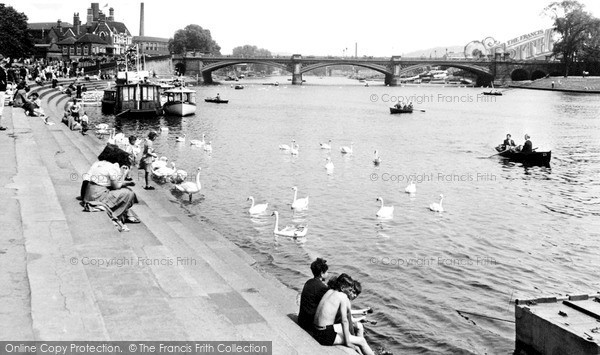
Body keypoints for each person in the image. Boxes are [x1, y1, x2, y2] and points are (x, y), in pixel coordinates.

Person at [313, 273, 374, 355]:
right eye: (349, 290)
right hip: (324, 336)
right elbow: (344, 321)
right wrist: (348, 342)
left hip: (316, 330)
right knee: (362, 341)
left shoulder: (330, 291)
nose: (350, 293)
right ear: (342, 288)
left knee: (350, 330)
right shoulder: (342, 296)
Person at [82, 144, 139, 232]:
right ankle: (118, 215)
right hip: (98, 195)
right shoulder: (111, 167)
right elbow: (117, 186)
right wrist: (124, 174)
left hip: (88, 193)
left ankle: (126, 214)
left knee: (124, 190)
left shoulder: (97, 163)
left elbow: (107, 181)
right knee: (129, 193)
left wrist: (125, 182)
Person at [298, 258, 330, 332]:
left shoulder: (309, 282)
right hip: (309, 324)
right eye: (327, 272)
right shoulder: (322, 287)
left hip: (302, 319)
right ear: (322, 273)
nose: (328, 274)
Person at [0, 57, 8, 131]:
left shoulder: (2, 69)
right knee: (0, 107)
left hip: (2, 89)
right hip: (0, 90)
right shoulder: (0, 69)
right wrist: (2, 83)